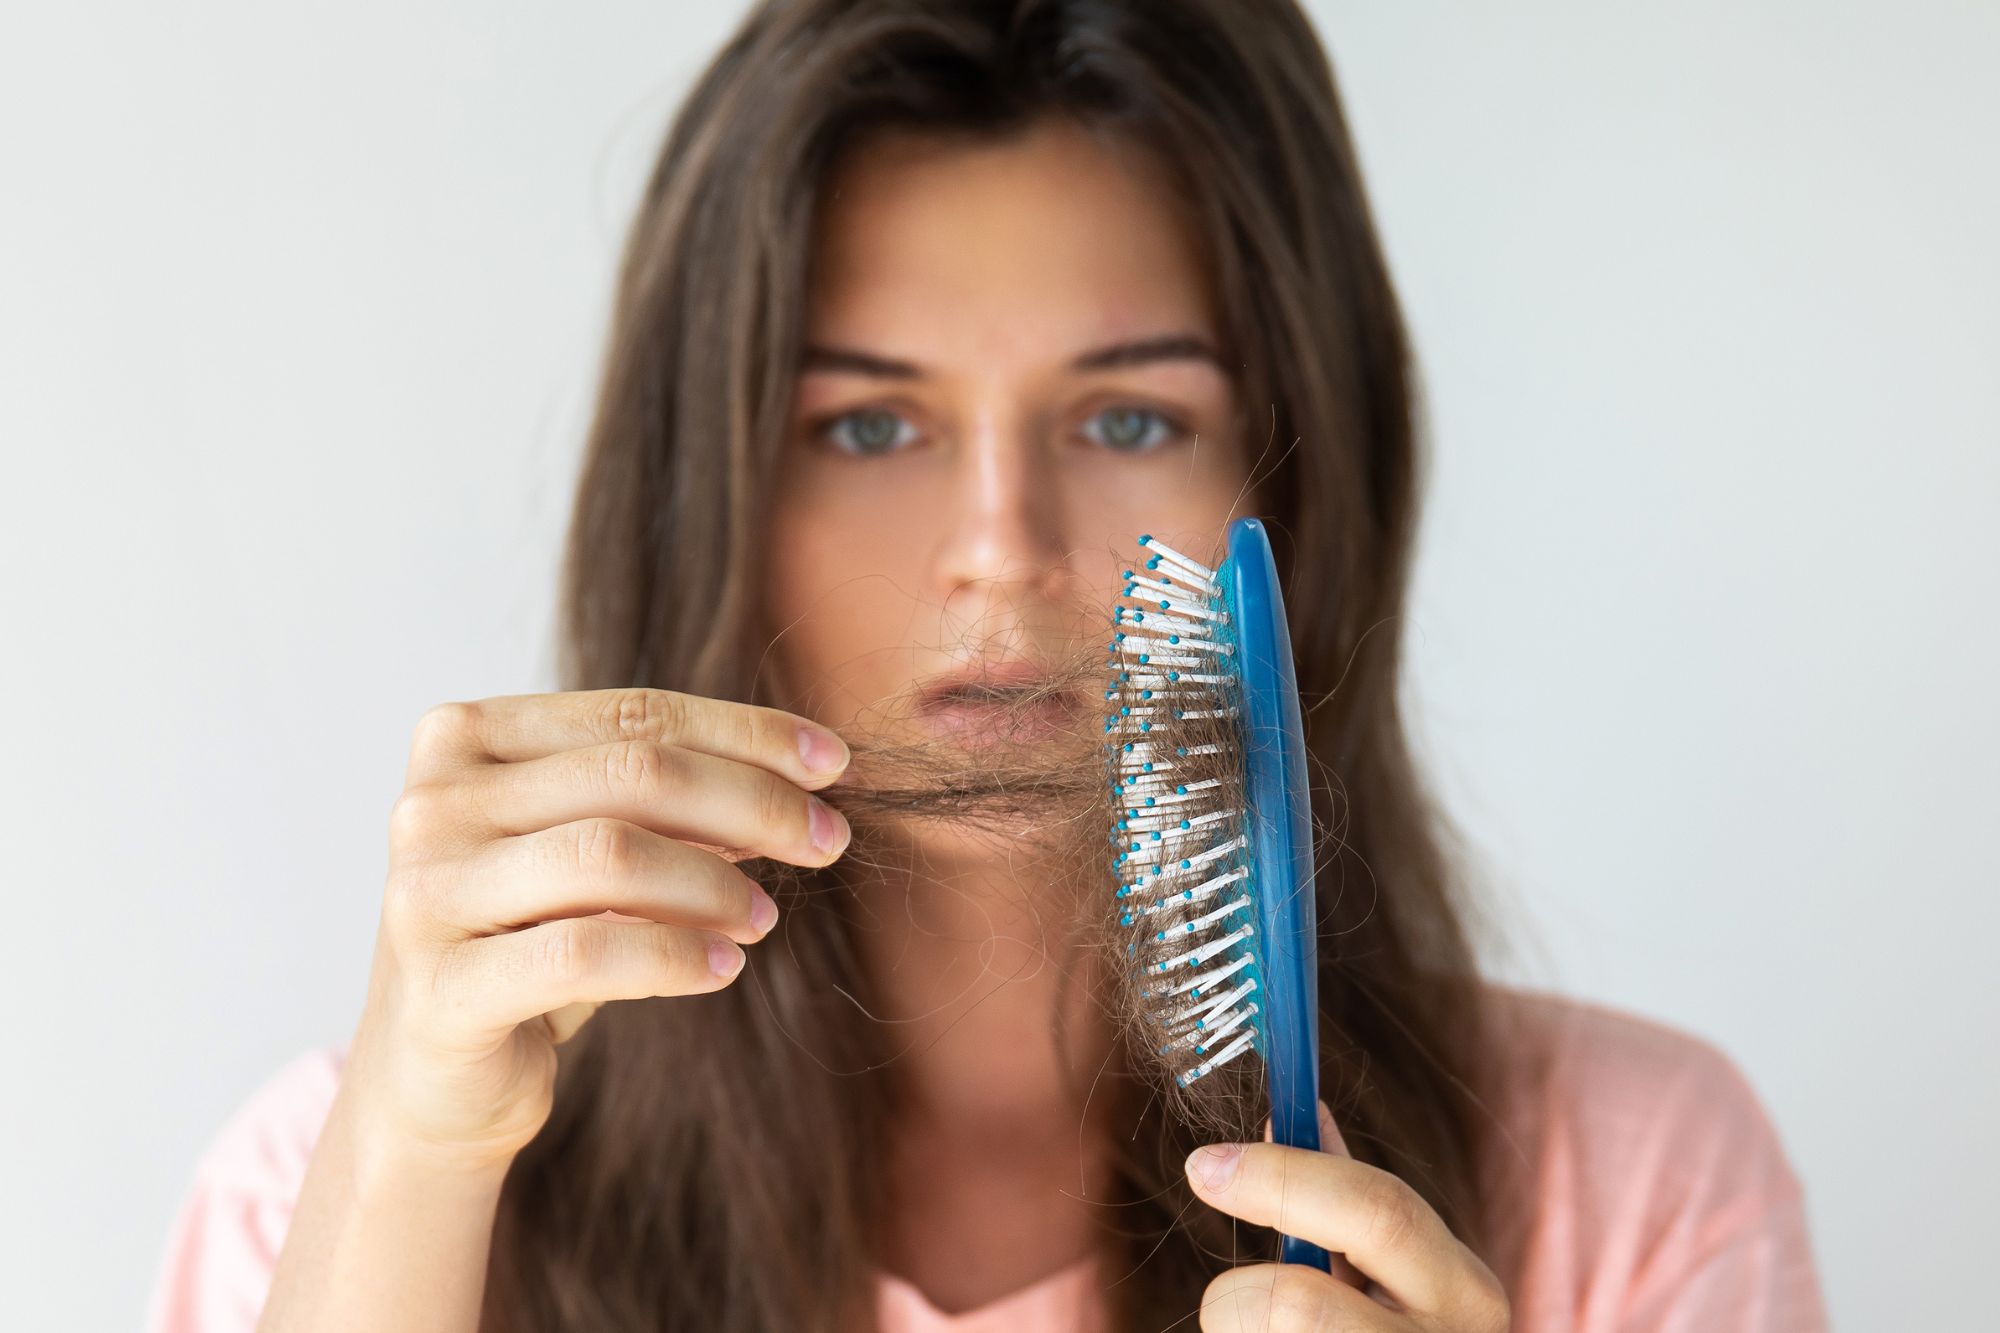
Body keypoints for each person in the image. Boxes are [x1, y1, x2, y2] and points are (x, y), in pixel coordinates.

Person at [144, 2, 1829, 1329]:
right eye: (869, 425)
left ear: (1306, 489)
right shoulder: (354, 1187)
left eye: (1130, 418)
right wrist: (411, 1172)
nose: (1000, 544)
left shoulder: (1635, 1185)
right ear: (708, 495)